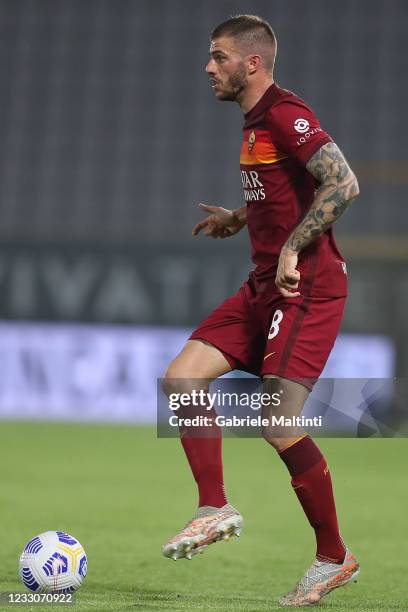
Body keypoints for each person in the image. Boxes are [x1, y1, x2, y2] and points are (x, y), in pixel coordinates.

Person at [162, 14, 360, 607]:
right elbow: (286, 190)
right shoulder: (254, 124)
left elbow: (343, 184)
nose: (208, 67)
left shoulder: (283, 113)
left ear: (252, 63)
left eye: (218, 57)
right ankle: (213, 507)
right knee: (182, 378)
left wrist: (294, 246)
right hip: (262, 287)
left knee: (278, 422)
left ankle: (333, 557)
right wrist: (241, 216)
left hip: (307, 287)